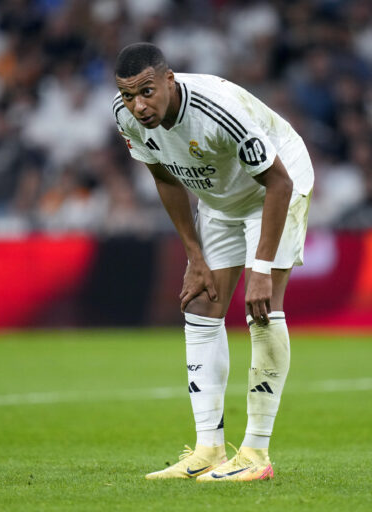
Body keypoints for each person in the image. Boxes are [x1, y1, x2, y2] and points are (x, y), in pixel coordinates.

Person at [113, 43, 313, 482]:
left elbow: (278, 182)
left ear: (170, 79)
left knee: (262, 310)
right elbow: (164, 175)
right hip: (221, 196)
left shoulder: (216, 110)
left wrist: (259, 270)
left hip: (275, 185)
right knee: (201, 307)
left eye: (146, 91)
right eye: (129, 95)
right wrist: (193, 256)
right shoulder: (125, 114)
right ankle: (209, 448)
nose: (138, 105)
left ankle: (256, 454)